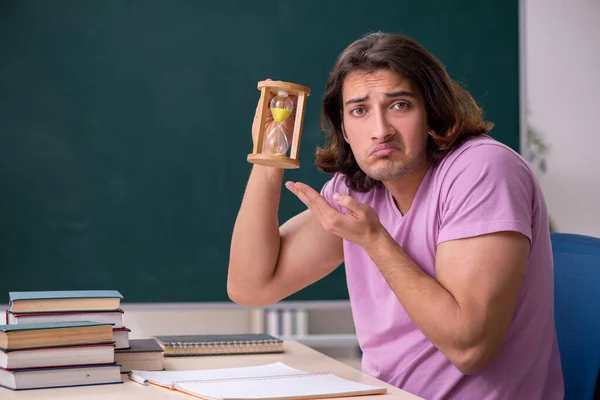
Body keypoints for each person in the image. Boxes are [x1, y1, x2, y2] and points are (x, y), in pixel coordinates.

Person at [227, 32, 564, 400]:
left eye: (399, 105)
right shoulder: (361, 187)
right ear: (344, 128)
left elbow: (470, 350)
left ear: (432, 110)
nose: (380, 130)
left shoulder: (482, 170)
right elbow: (251, 286)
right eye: (359, 110)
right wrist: (270, 155)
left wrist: (375, 240)